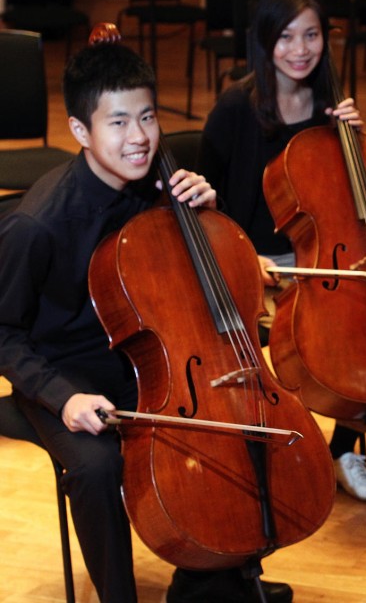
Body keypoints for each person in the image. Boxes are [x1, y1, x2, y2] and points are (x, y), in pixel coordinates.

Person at [0, 40, 292, 602]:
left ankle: (212, 574)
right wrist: (64, 398)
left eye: (148, 116)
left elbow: (198, 279)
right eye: (118, 122)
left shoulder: (163, 189)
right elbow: (3, 332)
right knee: (96, 465)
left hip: (155, 357)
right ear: (81, 131)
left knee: (231, 420)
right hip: (67, 373)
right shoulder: (37, 224)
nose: (140, 137)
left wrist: (210, 216)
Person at [199, 0, 366, 503]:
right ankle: (269, 453)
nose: (300, 50)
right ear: (264, 41)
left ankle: (345, 449)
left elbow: (358, 209)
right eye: (285, 37)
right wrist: (241, 254)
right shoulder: (236, 108)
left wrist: (357, 145)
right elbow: (201, 199)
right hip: (248, 258)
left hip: (319, 260)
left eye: (311, 36)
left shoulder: (333, 110)